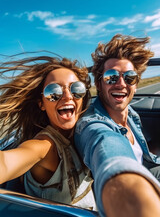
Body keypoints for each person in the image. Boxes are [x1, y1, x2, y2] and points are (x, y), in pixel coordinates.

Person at [74, 34, 160, 217]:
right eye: (111, 77)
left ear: (136, 84)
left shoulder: (129, 114)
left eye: (129, 77)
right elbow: (109, 151)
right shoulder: (91, 125)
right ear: (99, 83)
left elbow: (140, 155)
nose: (121, 83)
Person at [0, 55, 97, 210]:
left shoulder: (84, 130)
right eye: (54, 91)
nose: (67, 96)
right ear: (42, 104)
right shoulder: (45, 146)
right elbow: (5, 163)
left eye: (76, 89)